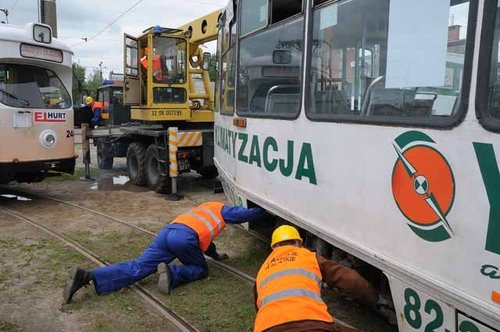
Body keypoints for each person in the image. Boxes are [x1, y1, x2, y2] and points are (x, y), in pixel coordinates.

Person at [64, 201, 267, 303]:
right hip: (185, 238)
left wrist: (216, 256)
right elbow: (245, 214)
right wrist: (265, 210)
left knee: (140, 266)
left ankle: (88, 276)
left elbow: (207, 243)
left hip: (168, 232)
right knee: (200, 269)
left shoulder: (202, 209)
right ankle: (172, 273)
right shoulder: (222, 209)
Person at [254, 225, 394, 332]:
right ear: (299, 243)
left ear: (274, 247)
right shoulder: (308, 256)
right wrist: (376, 300)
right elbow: (350, 279)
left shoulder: (262, 271)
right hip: (312, 324)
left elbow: (259, 307)